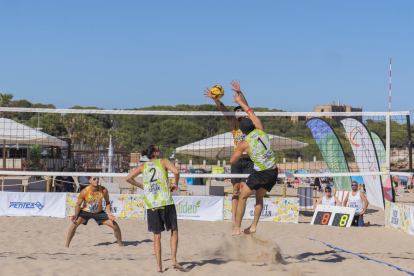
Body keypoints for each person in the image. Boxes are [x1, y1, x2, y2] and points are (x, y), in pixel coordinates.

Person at [204, 80, 254, 227]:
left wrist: (239, 93)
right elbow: (224, 109)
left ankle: (239, 218)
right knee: (235, 190)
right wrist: (215, 99)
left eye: (242, 112)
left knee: (244, 191)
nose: (240, 114)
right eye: (238, 112)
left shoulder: (250, 123)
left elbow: (247, 107)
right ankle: (233, 219)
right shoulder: (233, 123)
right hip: (237, 160)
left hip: (249, 160)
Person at [125, 145, 183, 272]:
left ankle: (159, 266)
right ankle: (173, 259)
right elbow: (177, 172)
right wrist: (176, 183)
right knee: (174, 230)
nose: (160, 151)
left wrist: (141, 185)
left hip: (151, 204)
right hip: (165, 201)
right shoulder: (163, 161)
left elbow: (127, 178)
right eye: (159, 150)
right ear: (155, 153)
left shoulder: (142, 167)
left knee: (157, 235)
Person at [229, 94, 278, 236]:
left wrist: (238, 150)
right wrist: (240, 102)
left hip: (260, 173)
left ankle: (237, 228)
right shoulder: (261, 130)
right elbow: (251, 112)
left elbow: (232, 161)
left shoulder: (244, 144)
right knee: (259, 198)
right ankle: (253, 226)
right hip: (273, 171)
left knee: (242, 197)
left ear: (242, 132)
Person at [66, 176, 123, 247]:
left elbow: (107, 202)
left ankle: (120, 244)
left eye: (97, 179)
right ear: (89, 181)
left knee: (115, 226)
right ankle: (67, 245)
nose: (96, 180)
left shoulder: (104, 190)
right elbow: (78, 205)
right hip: (86, 212)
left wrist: (109, 213)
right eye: (94, 179)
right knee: (74, 225)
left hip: (98, 212)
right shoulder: (84, 191)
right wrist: (75, 214)